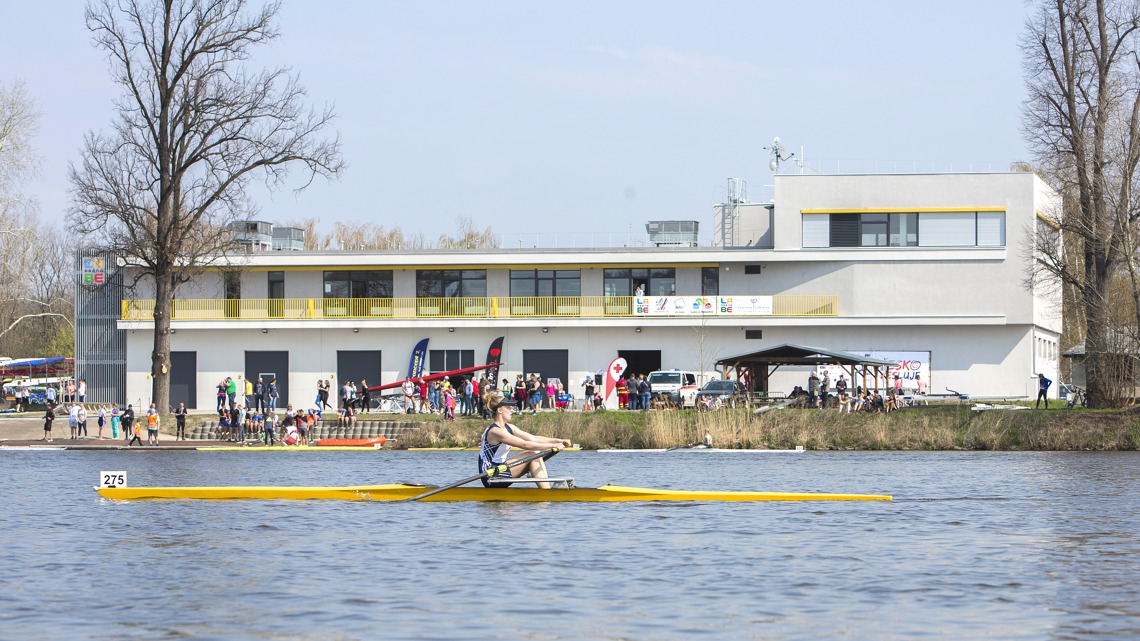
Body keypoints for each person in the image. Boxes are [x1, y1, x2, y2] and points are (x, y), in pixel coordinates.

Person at [478, 391, 572, 489]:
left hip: (501, 469)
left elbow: (533, 438)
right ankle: (546, 493)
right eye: (508, 408)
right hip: (491, 475)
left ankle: (545, 492)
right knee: (533, 453)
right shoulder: (495, 431)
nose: (511, 411)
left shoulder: (510, 427)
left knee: (534, 453)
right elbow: (525, 445)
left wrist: (559, 441)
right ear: (500, 410)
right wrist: (553, 446)